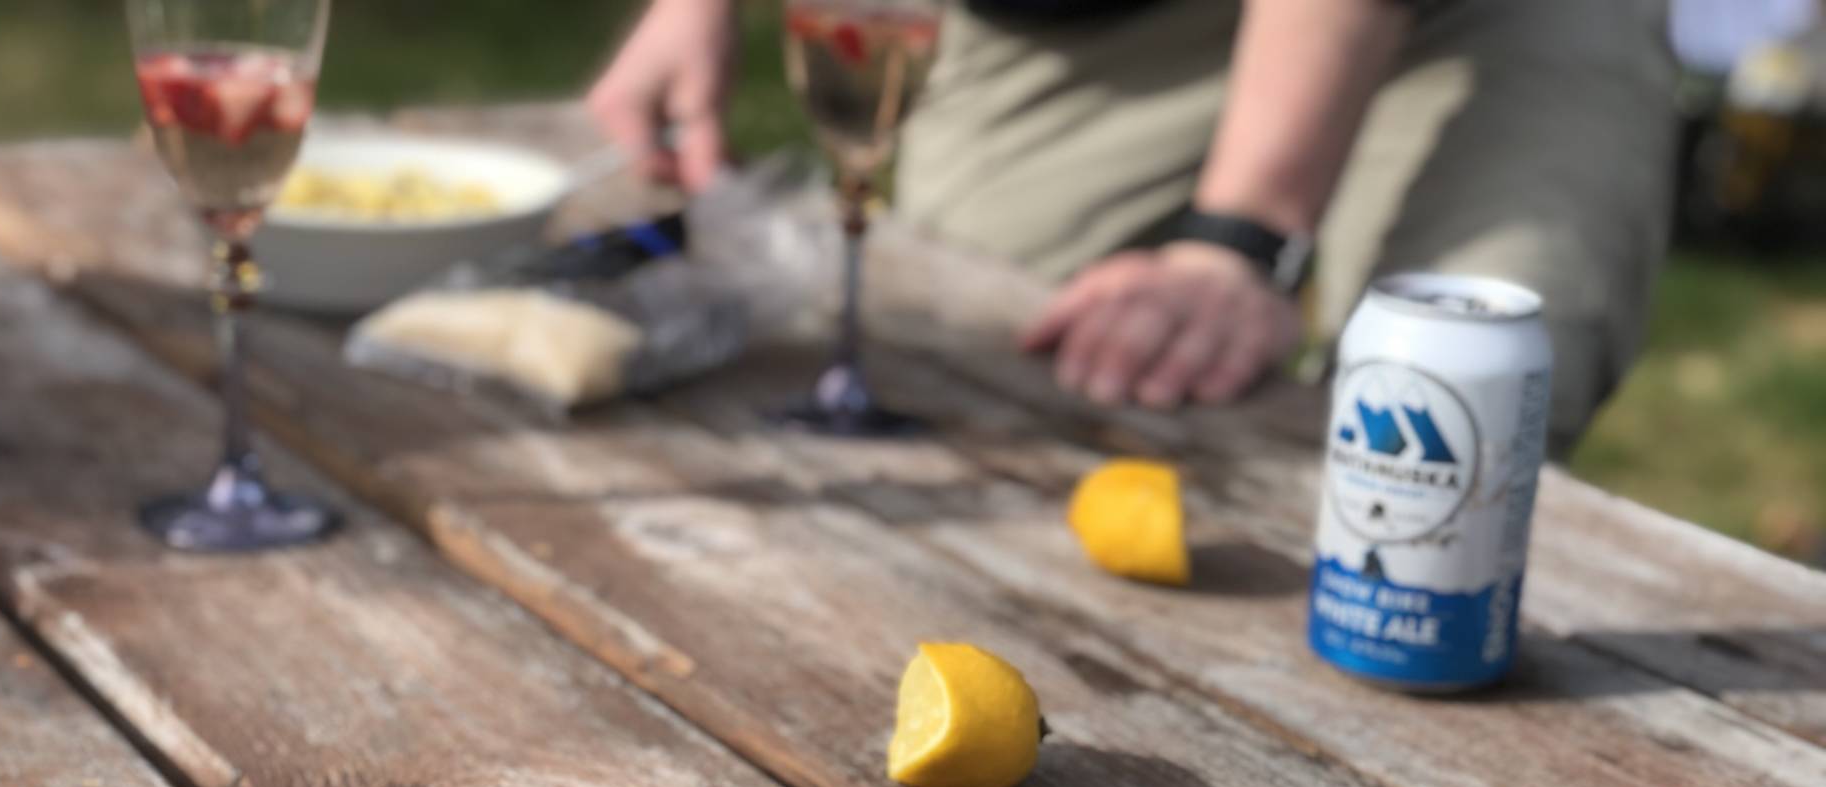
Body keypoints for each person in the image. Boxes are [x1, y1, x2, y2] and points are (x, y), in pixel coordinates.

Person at [588, 0, 1677, 448]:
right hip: (1096, 28)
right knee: (987, 353)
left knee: (1464, 406)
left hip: (1485, 21)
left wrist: (1239, 237)